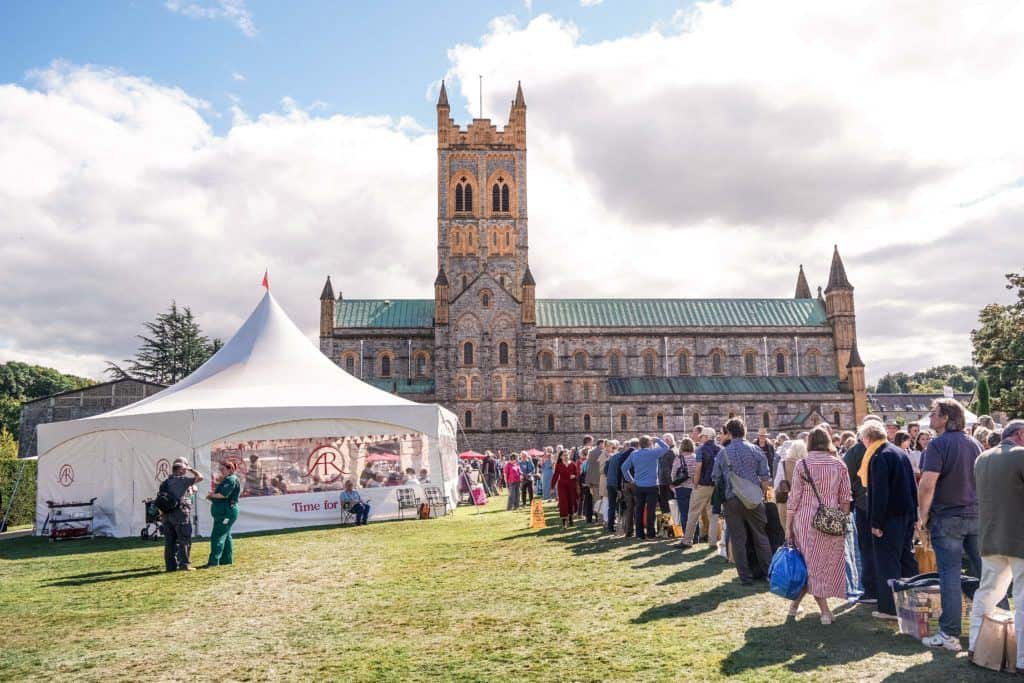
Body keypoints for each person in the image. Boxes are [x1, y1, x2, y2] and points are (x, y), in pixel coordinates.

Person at [918, 398, 983, 652]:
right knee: (985, 574)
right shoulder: (974, 443)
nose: (930, 418)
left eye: (934, 414)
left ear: (946, 418)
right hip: (975, 514)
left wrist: (921, 517)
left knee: (950, 576)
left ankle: (949, 634)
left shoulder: (937, 444)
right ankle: (996, 626)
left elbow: (926, 485)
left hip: (948, 517)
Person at [969, 419, 1024, 671]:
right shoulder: (1020, 455)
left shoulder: (982, 458)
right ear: (1020, 434)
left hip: (991, 537)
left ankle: (975, 647)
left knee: (986, 593)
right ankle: (1022, 659)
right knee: (1021, 599)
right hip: (1019, 538)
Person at [785, 428, 852, 624]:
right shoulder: (839, 464)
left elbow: (794, 498)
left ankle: (799, 608)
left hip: (805, 519)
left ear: (810, 443)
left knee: (810, 566)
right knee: (819, 565)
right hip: (831, 520)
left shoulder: (802, 464)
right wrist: (842, 520)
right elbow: (845, 498)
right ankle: (821, 611)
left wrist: (788, 526)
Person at [862, 420, 919, 620]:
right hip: (906, 514)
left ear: (868, 438)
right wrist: (915, 515)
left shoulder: (879, 457)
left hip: (889, 518)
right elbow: (913, 486)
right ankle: (914, 601)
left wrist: (875, 523)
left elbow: (879, 493)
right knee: (906, 559)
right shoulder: (899, 452)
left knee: (887, 562)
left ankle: (889, 608)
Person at [711, 418, 772, 585]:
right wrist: (761, 493)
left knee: (738, 539)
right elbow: (765, 477)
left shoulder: (723, 453)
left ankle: (745, 576)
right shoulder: (756, 450)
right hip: (754, 498)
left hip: (732, 499)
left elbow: (715, 477)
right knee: (761, 536)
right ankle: (769, 572)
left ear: (729, 433)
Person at [843, 414, 884, 606]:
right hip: (878, 504)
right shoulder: (884, 449)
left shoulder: (855, 452)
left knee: (867, 548)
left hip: (865, 504)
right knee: (882, 548)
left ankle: (872, 590)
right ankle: (881, 587)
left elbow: (845, 479)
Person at [158, 457, 204, 572]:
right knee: (184, 539)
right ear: (181, 469)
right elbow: (200, 477)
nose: (185, 471)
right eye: (184, 468)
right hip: (180, 514)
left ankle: (170, 566)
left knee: (169, 542)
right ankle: (184, 565)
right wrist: (191, 469)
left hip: (166, 515)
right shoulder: (182, 480)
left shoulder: (165, 482)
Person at [621, 435, 670, 540]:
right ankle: (651, 534)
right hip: (652, 485)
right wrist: (657, 439)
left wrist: (631, 479)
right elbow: (666, 447)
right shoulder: (653, 453)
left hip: (638, 485)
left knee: (639, 509)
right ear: (650, 443)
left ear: (639, 444)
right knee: (651, 510)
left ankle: (639, 534)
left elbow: (624, 468)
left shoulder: (634, 454)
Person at [685, 427, 721, 547]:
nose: (700, 439)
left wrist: (695, 484)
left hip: (703, 485)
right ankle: (713, 542)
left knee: (693, 513)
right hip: (716, 486)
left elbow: (698, 468)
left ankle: (687, 540)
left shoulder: (701, 449)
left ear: (706, 437)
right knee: (714, 515)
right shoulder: (720, 449)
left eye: (701, 437)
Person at [205, 460, 241, 567]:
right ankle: (226, 560)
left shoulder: (230, 480)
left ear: (230, 469)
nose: (221, 471)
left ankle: (214, 561)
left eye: (223, 469)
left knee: (217, 535)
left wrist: (212, 495)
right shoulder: (227, 479)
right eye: (220, 469)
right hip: (225, 511)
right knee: (226, 535)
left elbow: (223, 495)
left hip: (227, 512)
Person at [773, 439, 807, 533]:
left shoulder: (783, 463)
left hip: (785, 502)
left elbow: (776, 483)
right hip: (804, 503)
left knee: (788, 535)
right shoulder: (806, 464)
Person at [672, 437, 696, 548]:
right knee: (694, 513)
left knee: (684, 513)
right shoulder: (696, 457)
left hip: (681, 488)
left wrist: (674, 486)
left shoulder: (678, 459)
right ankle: (696, 536)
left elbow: (673, 474)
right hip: (694, 488)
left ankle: (687, 537)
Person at [604, 441, 630, 533]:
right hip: (617, 484)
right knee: (622, 506)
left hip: (610, 483)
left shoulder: (614, 456)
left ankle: (610, 526)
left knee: (612, 506)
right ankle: (623, 526)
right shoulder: (622, 457)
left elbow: (605, 470)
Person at [550, 450, 579, 528]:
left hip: (571, 485)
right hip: (562, 485)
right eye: (564, 455)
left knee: (571, 502)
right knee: (563, 502)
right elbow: (555, 476)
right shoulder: (559, 465)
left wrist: (574, 476)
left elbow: (577, 475)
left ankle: (571, 519)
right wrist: (552, 487)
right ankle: (564, 522)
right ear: (561, 457)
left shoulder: (573, 464)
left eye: (567, 455)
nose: (566, 456)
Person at [584, 439, 604, 523]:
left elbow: (589, 467)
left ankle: (599, 518)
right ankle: (601, 518)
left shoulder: (591, 452)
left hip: (593, 480)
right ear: (601, 444)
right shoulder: (602, 452)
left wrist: (588, 481)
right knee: (602, 500)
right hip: (601, 479)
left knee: (597, 500)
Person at [657, 434, 678, 514]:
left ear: (668, 441)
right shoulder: (675, 450)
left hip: (667, 482)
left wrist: (670, 483)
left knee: (667, 506)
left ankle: (670, 524)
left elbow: (667, 469)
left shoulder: (669, 452)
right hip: (668, 481)